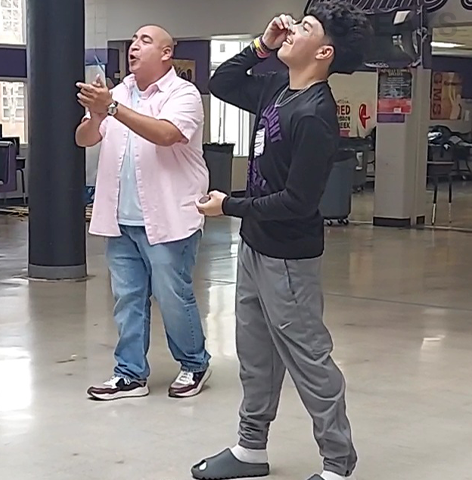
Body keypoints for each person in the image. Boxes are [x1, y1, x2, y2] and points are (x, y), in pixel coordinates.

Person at [192, 2, 371, 480]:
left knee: (309, 359)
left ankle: (337, 464)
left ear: (324, 52)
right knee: (255, 356)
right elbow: (222, 82)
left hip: (288, 257)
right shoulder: (277, 89)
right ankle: (251, 448)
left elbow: (298, 202)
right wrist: (262, 44)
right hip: (255, 245)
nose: (293, 29)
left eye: (305, 28)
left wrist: (229, 206)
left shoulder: (315, 115)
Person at [75, 25, 211, 401]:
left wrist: (111, 109)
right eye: (133, 40)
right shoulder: (118, 93)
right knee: (127, 298)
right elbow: (84, 138)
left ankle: (194, 363)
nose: (134, 46)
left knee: (173, 297)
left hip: (168, 218)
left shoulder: (183, 94)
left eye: (145, 41)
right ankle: (130, 374)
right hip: (121, 219)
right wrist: (96, 115)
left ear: (166, 53)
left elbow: (166, 135)